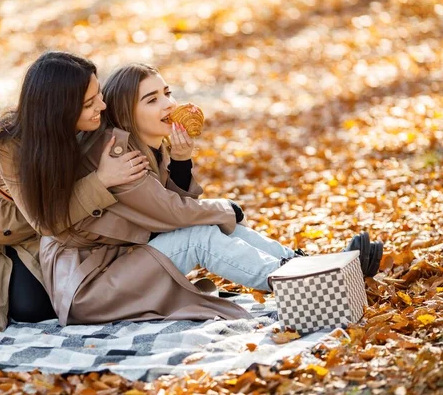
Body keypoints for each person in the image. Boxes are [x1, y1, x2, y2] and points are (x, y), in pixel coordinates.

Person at [39, 63, 383, 326]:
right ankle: (310, 283)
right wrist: (224, 209)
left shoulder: (146, 149)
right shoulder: (116, 153)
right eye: (152, 99)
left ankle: (308, 267)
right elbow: (173, 215)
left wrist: (181, 162)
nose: (169, 104)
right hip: (90, 287)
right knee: (202, 235)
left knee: (209, 229)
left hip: (120, 265)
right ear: (127, 112)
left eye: (167, 93)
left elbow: (173, 212)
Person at [0, 52, 149, 331]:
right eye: (89, 103)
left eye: (99, 94)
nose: (102, 105)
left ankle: (14, 267)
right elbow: (46, 221)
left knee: (49, 304)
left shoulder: (85, 124)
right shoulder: (10, 146)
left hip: (29, 227)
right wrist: (102, 179)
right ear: (59, 110)